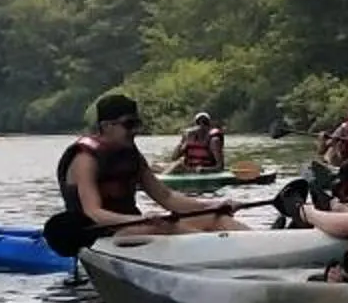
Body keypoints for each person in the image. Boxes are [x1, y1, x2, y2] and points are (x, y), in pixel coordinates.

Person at [57, 92, 246, 236]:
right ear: (107, 126)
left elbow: (167, 197)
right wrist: (142, 220)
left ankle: (260, 244)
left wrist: (213, 204)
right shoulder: (85, 159)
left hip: (132, 226)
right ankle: (220, 250)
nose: (135, 131)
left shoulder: (132, 155)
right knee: (166, 225)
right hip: (101, 232)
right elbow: (94, 213)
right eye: (129, 125)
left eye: (137, 124)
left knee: (216, 217)